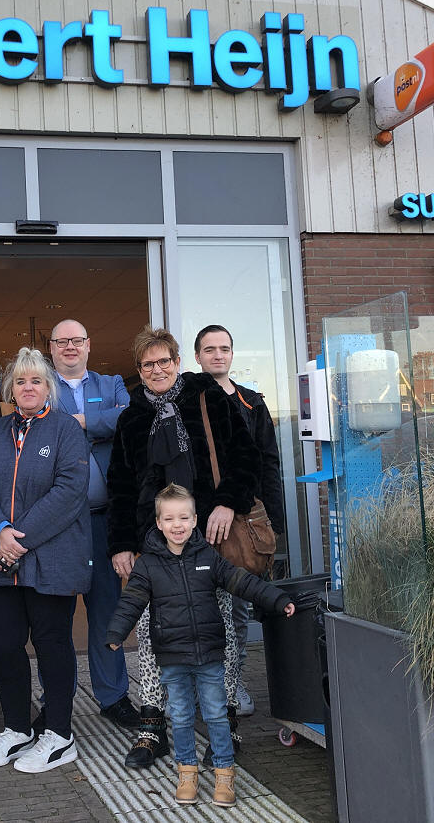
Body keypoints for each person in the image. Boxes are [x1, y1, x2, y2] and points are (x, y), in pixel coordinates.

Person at [107, 326, 262, 768]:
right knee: (155, 635)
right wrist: (122, 543)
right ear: (139, 370)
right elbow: (119, 486)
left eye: (164, 361)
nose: (157, 370)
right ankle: (153, 726)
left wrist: (228, 504)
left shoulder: (209, 397)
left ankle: (224, 724)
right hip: (152, 547)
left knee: (221, 634)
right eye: (147, 364)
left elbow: (246, 457)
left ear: (178, 361)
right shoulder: (132, 417)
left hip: (209, 538)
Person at [106, 483, 294, 808]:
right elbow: (131, 601)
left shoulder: (208, 557)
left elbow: (242, 581)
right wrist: (115, 634)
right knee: (179, 717)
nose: (177, 525)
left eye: (183, 518)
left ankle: (224, 775)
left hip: (209, 656)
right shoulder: (148, 565)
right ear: (159, 523)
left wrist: (277, 599)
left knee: (217, 716)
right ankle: (187, 774)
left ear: (195, 520)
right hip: (173, 658)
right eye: (169, 519)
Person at [0, 347, 91, 773]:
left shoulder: (66, 430)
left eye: (36, 380)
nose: (28, 387)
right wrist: (0, 532)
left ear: (48, 386)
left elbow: (71, 489)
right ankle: (18, 728)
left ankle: (58, 733)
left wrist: (20, 539)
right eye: (20, 381)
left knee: (53, 643)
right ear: (10, 389)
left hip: (50, 558)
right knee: (1, 642)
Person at [47, 319, 138, 729]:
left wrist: (79, 423)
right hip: (58, 526)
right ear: (51, 348)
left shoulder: (112, 382)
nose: (70, 347)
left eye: (77, 340)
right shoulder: (39, 385)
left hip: (103, 522)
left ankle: (113, 696)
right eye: (62, 341)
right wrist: (92, 425)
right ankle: (56, 700)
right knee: (56, 618)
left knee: (107, 611)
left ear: (88, 345)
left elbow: (128, 419)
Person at [195, 324, 287, 717]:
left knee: (236, 609)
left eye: (225, 348)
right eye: (209, 349)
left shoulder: (252, 402)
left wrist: (274, 524)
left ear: (232, 354)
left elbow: (268, 463)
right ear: (197, 357)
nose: (218, 355)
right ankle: (205, 690)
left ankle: (233, 687)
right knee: (201, 610)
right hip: (199, 521)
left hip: (244, 522)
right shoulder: (189, 400)